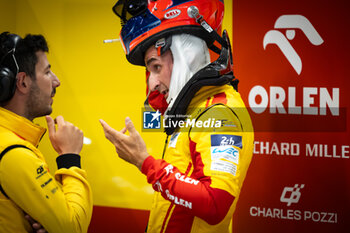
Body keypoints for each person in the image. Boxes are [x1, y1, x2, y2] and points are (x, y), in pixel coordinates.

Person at [100, 0, 254, 232]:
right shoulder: (194, 109)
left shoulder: (220, 113)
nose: (152, 82)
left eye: (155, 67)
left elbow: (215, 204)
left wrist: (145, 163)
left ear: (185, 55)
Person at [0, 32, 93, 233]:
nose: (56, 81)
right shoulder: (13, 152)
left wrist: (51, 219)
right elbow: (73, 227)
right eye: (48, 72)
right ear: (23, 82)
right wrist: (70, 158)